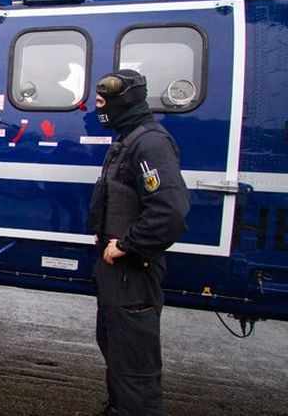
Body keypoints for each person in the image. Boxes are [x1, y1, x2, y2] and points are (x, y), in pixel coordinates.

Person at [87, 70, 190, 415]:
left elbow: (169, 212)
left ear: (124, 102)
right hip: (117, 273)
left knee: (134, 367)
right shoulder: (128, 139)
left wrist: (126, 245)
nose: (97, 108)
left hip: (132, 272)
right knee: (116, 350)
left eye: (102, 102)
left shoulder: (150, 143)